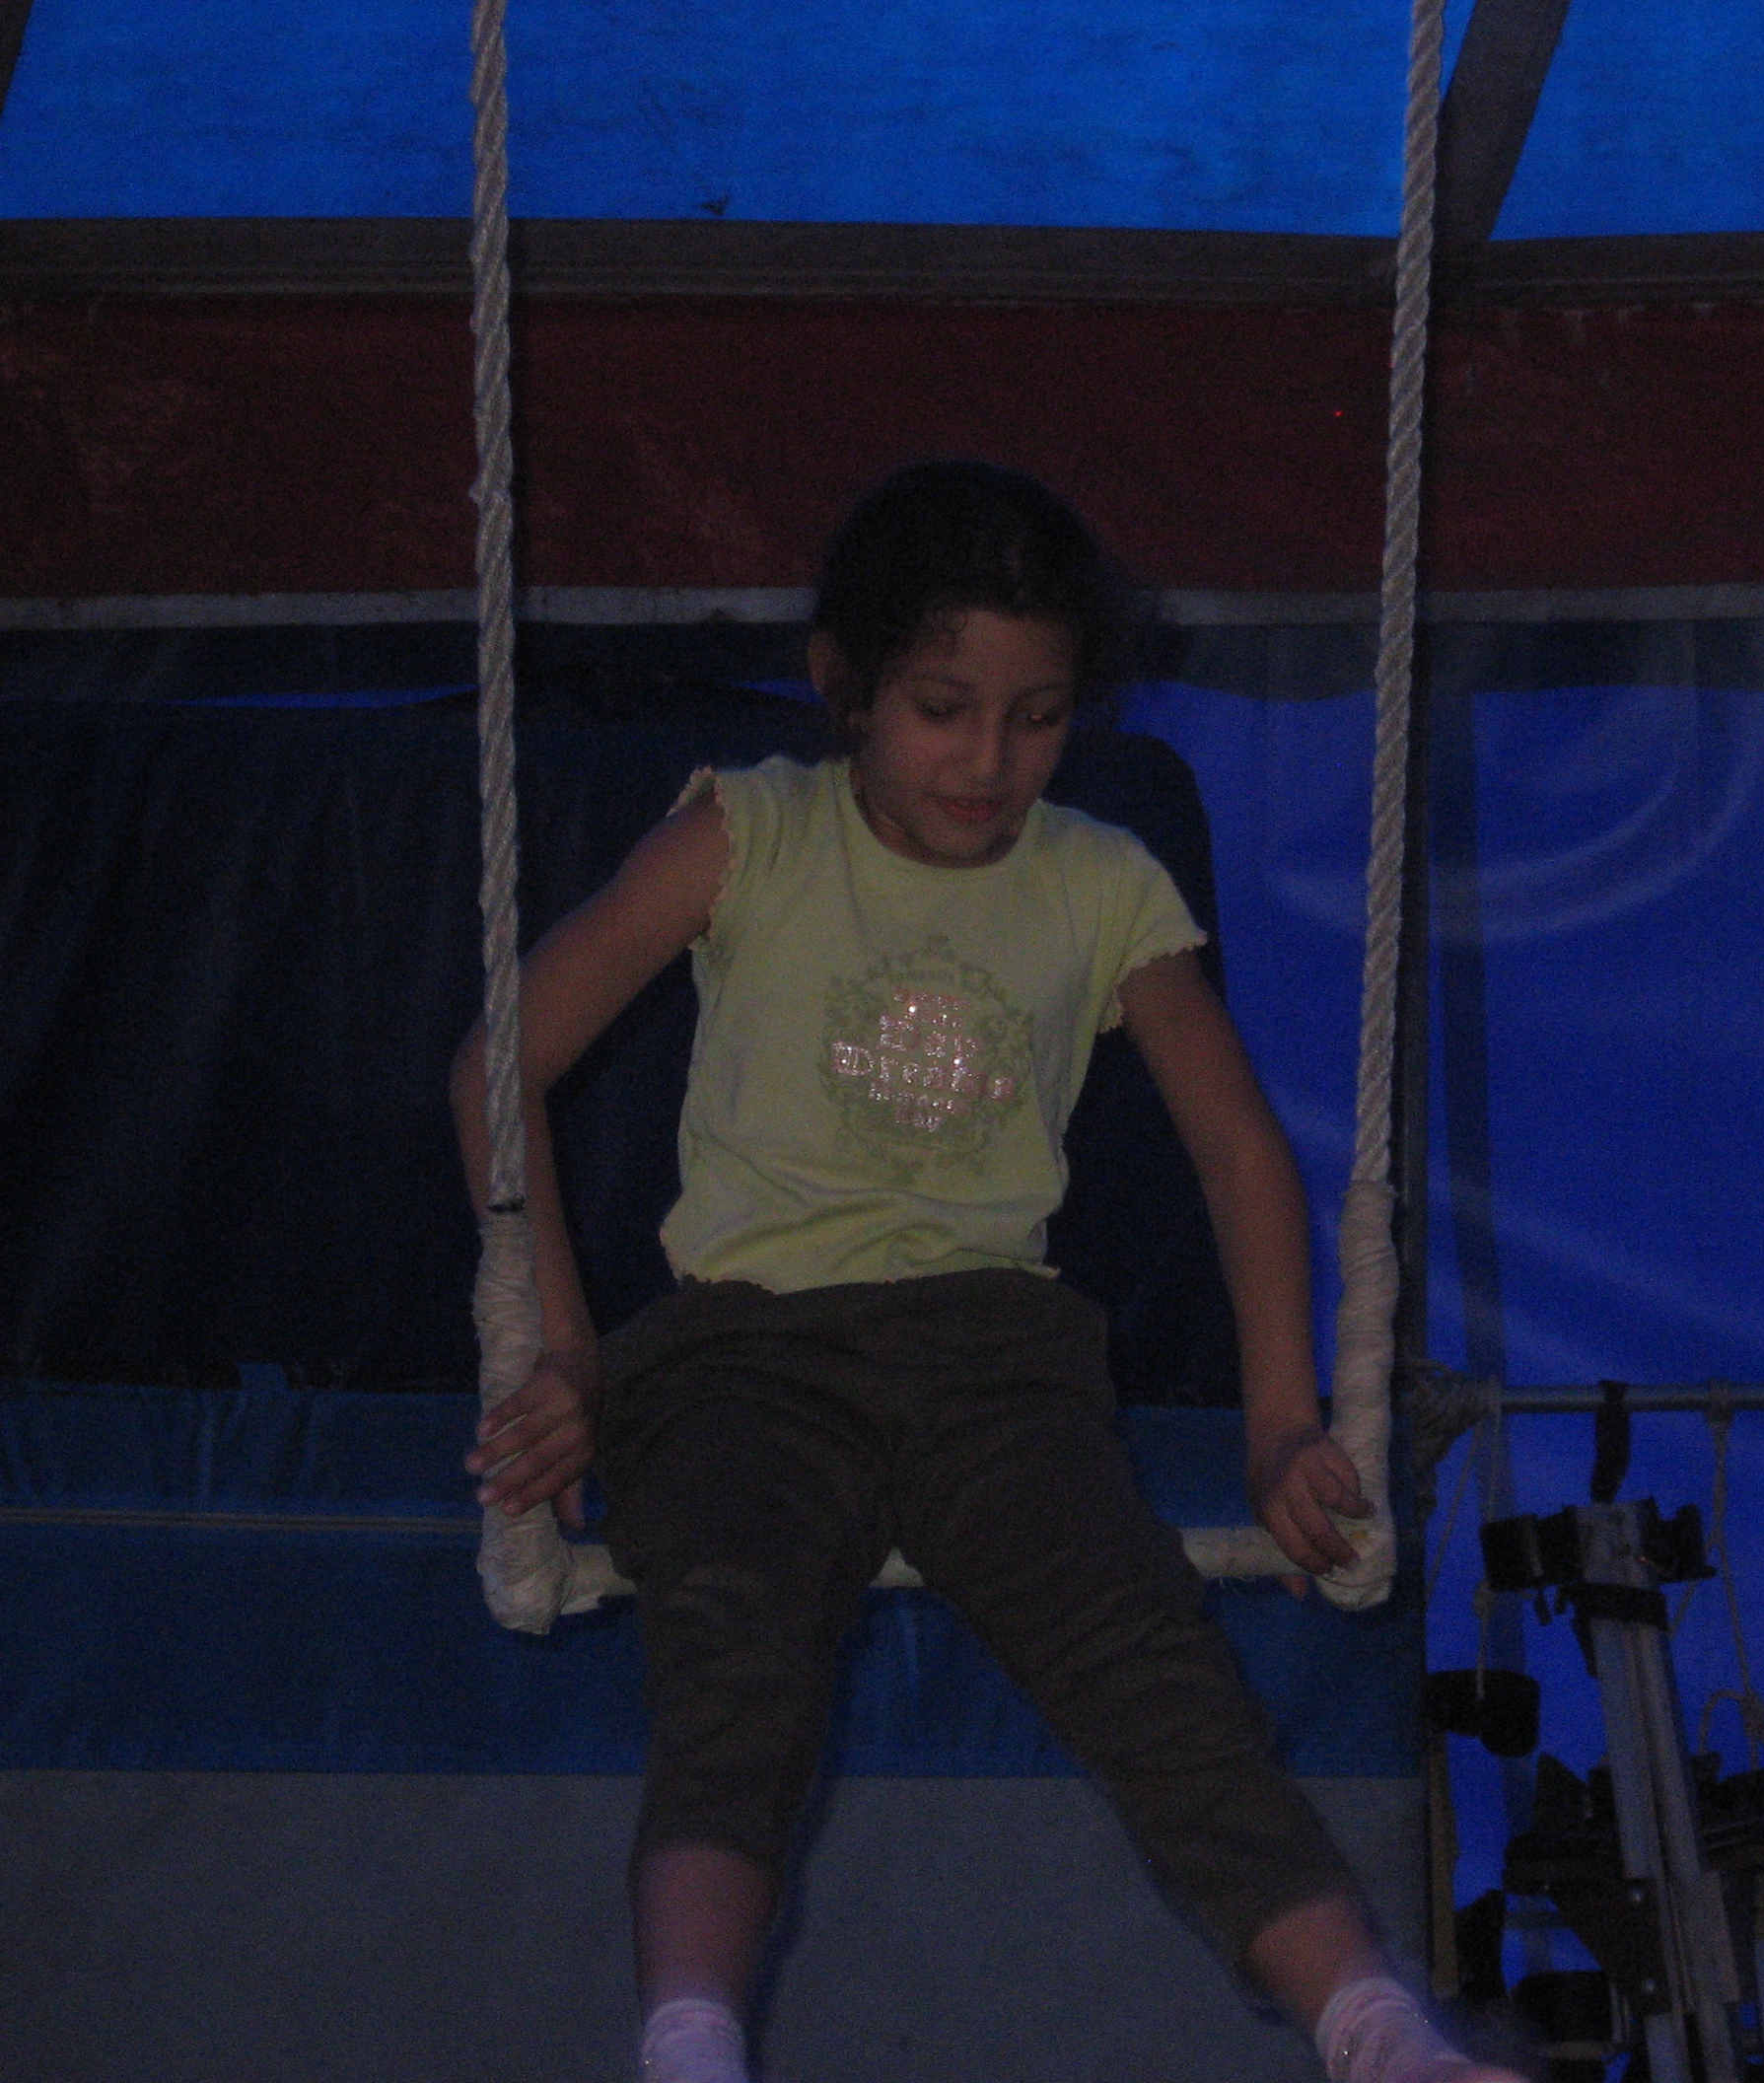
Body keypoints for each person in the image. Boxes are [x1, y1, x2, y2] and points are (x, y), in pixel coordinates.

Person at [452, 460, 1517, 2083]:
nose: (988, 760)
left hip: (995, 1364)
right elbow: (497, 1069)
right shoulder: (750, 834)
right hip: (744, 1355)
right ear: (846, 686)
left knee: (1147, 1661)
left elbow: (1242, 1154)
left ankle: (1373, 2030)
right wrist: (571, 1355)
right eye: (943, 710)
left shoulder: (1098, 881)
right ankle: (689, 2038)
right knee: (736, 1659)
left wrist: (1280, 1425)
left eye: (1037, 717)